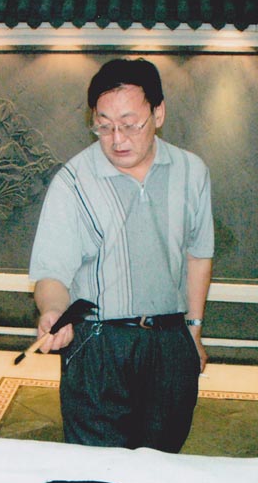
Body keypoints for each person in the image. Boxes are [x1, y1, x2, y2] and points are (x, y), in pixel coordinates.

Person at [28, 57, 214, 453]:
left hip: (169, 342)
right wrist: (53, 311)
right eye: (104, 125)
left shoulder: (192, 172)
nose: (117, 139)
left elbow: (198, 255)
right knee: (97, 469)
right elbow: (51, 272)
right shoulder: (72, 182)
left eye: (130, 124)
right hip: (98, 344)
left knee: (162, 462)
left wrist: (193, 333)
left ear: (158, 114)